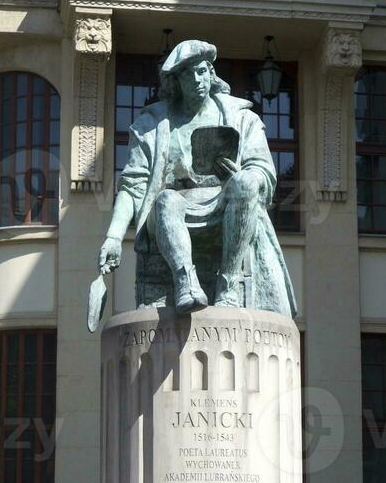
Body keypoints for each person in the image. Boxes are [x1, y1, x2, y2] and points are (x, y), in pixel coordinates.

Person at [95, 39, 296, 319]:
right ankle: (185, 282)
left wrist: (240, 176)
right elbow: (133, 184)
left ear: (211, 73)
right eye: (187, 74)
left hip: (225, 205)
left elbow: (263, 172)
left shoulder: (241, 117)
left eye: (202, 71)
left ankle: (227, 287)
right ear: (175, 81)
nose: (196, 80)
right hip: (172, 211)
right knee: (166, 199)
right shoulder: (152, 124)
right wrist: (113, 237)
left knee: (247, 183)